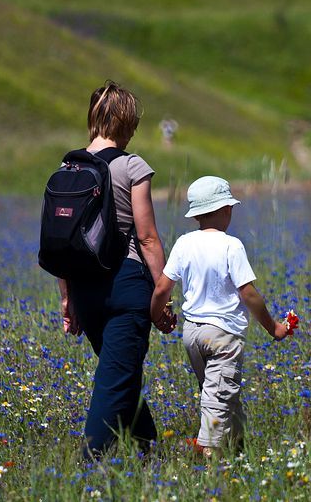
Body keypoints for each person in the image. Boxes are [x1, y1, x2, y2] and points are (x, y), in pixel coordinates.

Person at [57, 80, 177, 458]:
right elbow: (147, 239)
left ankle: (148, 454)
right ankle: (88, 469)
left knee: (120, 375)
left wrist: (66, 299)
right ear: (127, 123)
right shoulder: (132, 166)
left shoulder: (68, 165)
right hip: (126, 286)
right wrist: (163, 295)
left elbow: (62, 239)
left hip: (83, 289)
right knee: (114, 382)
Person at [150, 176, 289, 457]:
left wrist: (156, 316)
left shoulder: (184, 243)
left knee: (220, 393)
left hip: (193, 334)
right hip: (223, 337)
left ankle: (237, 446)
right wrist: (273, 327)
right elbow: (248, 294)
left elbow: (162, 288)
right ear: (225, 210)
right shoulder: (231, 246)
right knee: (218, 396)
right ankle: (205, 452)